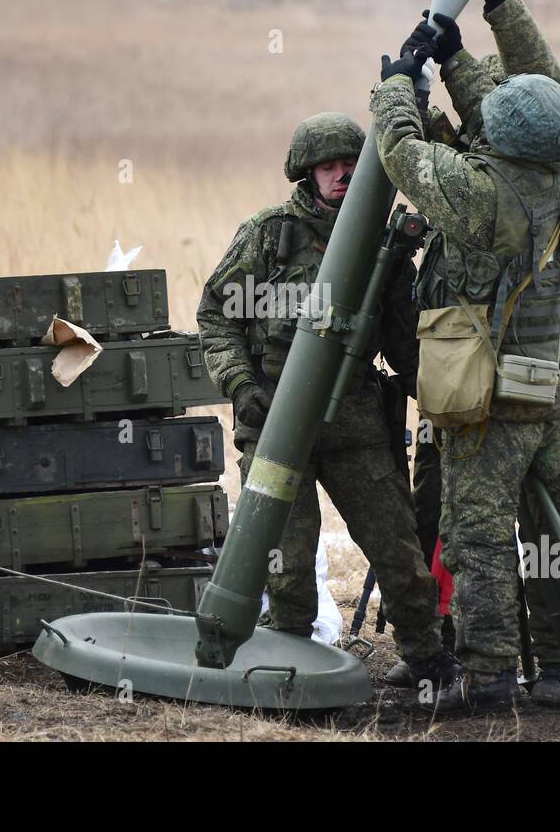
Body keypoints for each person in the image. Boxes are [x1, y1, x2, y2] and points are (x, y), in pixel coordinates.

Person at [368, 0, 560, 715]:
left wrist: (398, 85)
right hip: (549, 384)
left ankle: (487, 675)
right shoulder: (557, 162)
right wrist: (492, 8)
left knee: (479, 534)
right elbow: (535, 84)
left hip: (490, 397)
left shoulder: (486, 198)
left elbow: (405, 154)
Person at [197, 112, 457, 691]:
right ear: (307, 173)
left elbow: (399, 336)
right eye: (329, 166)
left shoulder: (378, 242)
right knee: (285, 562)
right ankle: (287, 668)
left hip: (354, 419)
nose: (341, 175)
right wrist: (243, 388)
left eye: (350, 165)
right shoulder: (270, 235)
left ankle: (428, 660)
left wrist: (440, 397)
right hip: (276, 418)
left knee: (398, 548)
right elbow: (216, 315)